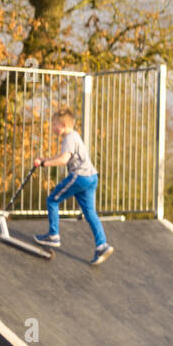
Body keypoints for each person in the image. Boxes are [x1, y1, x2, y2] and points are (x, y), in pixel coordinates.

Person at [34, 107, 114, 265]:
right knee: (90, 212)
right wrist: (45, 158)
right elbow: (63, 156)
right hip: (92, 177)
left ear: (63, 125)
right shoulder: (75, 136)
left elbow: (64, 160)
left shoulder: (69, 138)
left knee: (52, 200)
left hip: (80, 177)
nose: (52, 127)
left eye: (54, 124)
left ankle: (53, 235)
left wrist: (44, 164)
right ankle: (102, 245)